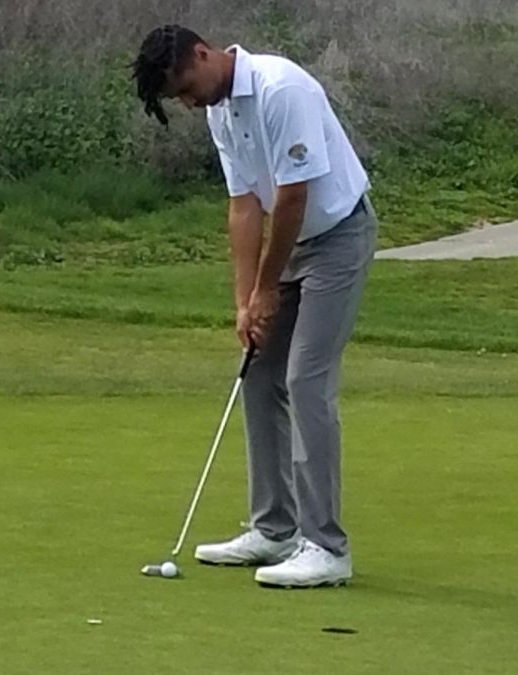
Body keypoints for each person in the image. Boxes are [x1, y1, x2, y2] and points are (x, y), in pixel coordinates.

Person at [132, 24, 377, 588]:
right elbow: (245, 206)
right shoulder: (221, 110)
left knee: (307, 378)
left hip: (338, 236)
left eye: (186, 87)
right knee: (259, 371)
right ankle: (275, 529)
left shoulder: (278, 87)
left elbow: (293, 198)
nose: (189, 102)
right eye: (178, 98)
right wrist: (246, 300)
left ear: (203, 53)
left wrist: (269, 286)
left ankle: (326, 546)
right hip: (292, 244)